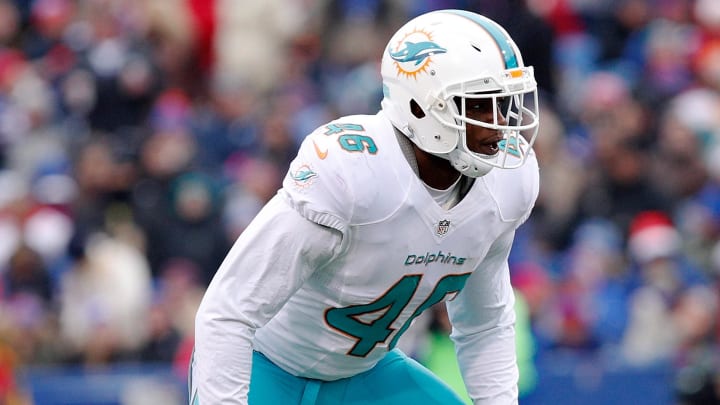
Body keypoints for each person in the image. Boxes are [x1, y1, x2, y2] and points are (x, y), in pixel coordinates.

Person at [191, 9, 540, 405]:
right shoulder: (355, 171)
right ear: (422, 106)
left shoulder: (506, 183)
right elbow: (228, 312)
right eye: (479, 105)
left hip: (366, 376)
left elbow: (485, 323)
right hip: (266, 367)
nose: (499, 125)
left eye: (504, 103)